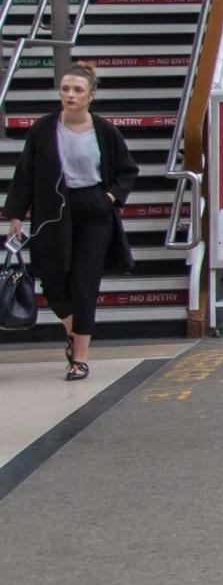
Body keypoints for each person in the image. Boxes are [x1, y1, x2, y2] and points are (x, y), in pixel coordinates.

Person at [3, 64, 139, 382]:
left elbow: (128, 170)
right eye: (65, 89)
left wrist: (108, 197)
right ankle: (73, 331)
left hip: (94, 210)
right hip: (53, 210)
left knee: (85, 285)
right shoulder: (43, 128)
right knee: (51, 283)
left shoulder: (105, 131)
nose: (70, 95)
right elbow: (25, 174)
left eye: (77, 90)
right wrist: (14, 215)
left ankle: (79, 358)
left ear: (91, 95)